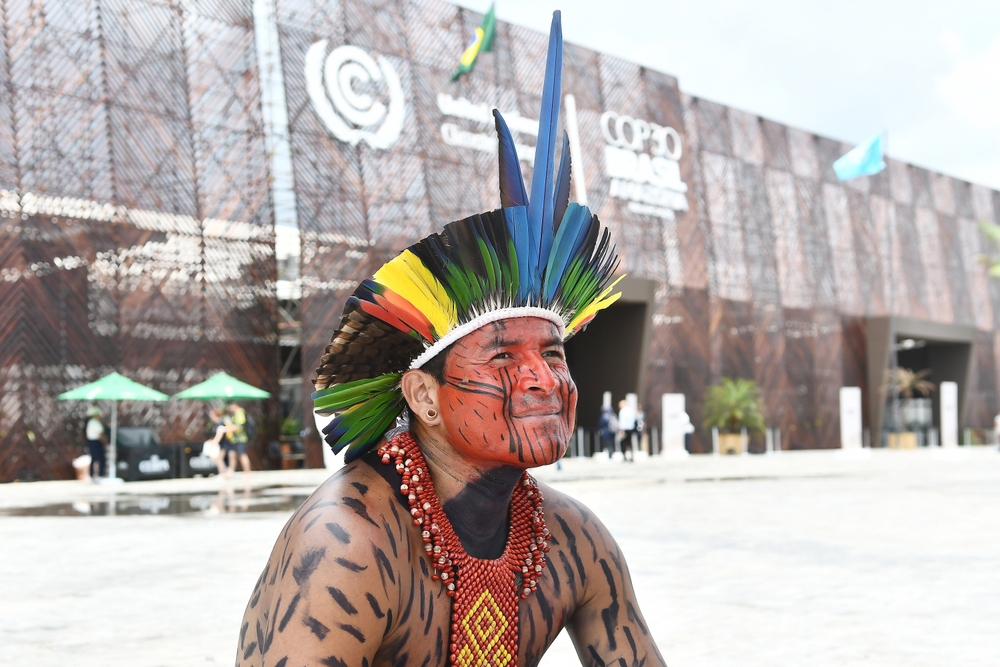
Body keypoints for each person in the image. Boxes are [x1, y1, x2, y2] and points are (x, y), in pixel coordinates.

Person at [236, 13, 664, 667]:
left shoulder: (574, 541)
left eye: (553, 353)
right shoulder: (348, 545)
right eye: (503, 355)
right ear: (423, 396)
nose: (545, 379)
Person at [225, 401, 251, 476]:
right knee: (231, 454)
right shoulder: (235, 414)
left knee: (242, 455)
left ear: (234, 405)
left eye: (230, 406)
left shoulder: (240, 413)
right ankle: (230, 472)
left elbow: (239, 427)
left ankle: (247, 473)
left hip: (240, 439)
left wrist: (227, 429)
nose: (229, 408)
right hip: (234, 439)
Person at [204, 408, 230, 476]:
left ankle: (223, 473)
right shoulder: (215, 424)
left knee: (219, 459)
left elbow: (219, 436)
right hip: (219, 445)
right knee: (216, 459)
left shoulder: (220, 424)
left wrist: (214, 442)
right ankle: (225, 472)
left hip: (223, 445)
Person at [84, 406, 107, 480]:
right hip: (95, 442)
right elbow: (100, 434)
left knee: (93, 458)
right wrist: (105, 442)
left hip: (91, 442)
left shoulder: (90, 422)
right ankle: (100, 475)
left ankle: (91, 475)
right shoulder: (95, 422)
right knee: (100, 458)